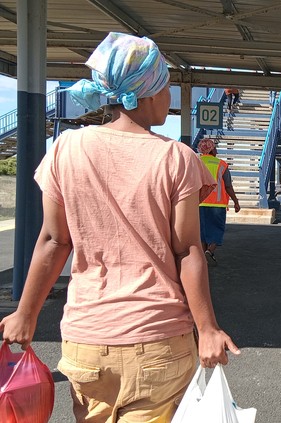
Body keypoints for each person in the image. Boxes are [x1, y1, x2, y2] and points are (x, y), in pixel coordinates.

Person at [0, 32, 239, 421]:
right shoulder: (177, 158)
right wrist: (208, 329)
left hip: (86, 341)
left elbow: (54, 240)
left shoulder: (66, 148)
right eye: (165, 86)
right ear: (147, 94)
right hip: (158, 339)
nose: (169, 97)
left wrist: (25, 314)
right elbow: (187, 250)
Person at [197, 138, 241, 265]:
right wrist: (236, 201)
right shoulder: (221, 164)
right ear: (212, 149)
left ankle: (204, 257)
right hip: (217, 204)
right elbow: (228, 186)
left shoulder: (196, 162)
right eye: (215, 148)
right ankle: (210, 251)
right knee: (217, 229)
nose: (216, 150)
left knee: (203, 231)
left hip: (199, 202)